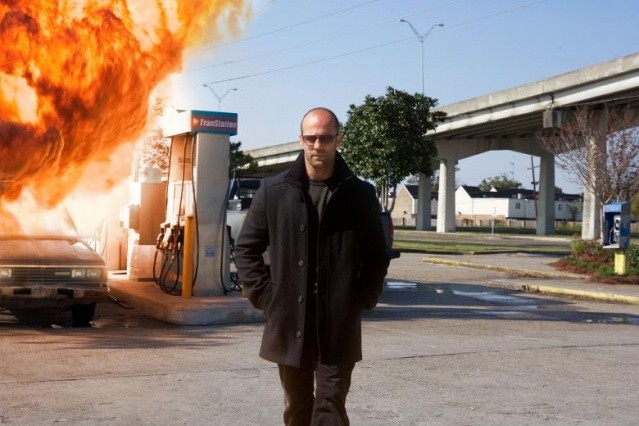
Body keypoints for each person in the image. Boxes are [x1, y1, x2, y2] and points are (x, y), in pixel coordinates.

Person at [234, 107, 391, 425]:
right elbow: (246, 249)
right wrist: (265, 296)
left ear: (338, 140)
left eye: (326, 138)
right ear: (301, 139)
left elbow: (376, 254)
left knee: (330, 408)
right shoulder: (274, 191)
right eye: (311, 138)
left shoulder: (360, 194)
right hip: (290, 319)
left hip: (338, 324)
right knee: (298, 409)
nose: (318, 145)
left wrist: (362, 297)